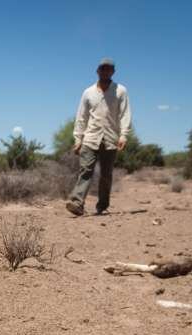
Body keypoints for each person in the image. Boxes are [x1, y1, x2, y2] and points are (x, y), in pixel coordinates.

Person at [66, 58, 132, 216]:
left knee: (106, 175)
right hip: (90, 138)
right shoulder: (88, 92)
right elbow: (81, 117)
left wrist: (123, 136)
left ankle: (102, 205)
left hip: (110, 138)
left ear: (113, 72)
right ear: (97, 71)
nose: (105, 71)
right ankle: (77, 203)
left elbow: (125, 114)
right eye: (103, 69)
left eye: (109, 69)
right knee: (85, 170)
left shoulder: (120, 91)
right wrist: (78, 139)